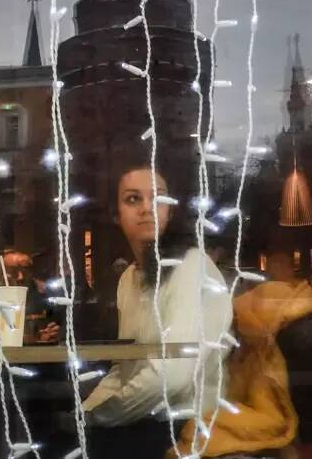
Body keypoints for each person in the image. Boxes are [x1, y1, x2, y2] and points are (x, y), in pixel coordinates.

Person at [82, 158, 233, 459]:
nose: (146, 208)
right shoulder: (129, 278)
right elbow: (124, 367)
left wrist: (99, 416)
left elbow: (173, 375)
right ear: (116, 214)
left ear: (171, 210)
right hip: (140, 419)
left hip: (187, 425)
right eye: (132, 199)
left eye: (158, 198)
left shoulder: (191, 267)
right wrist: (85, 412)